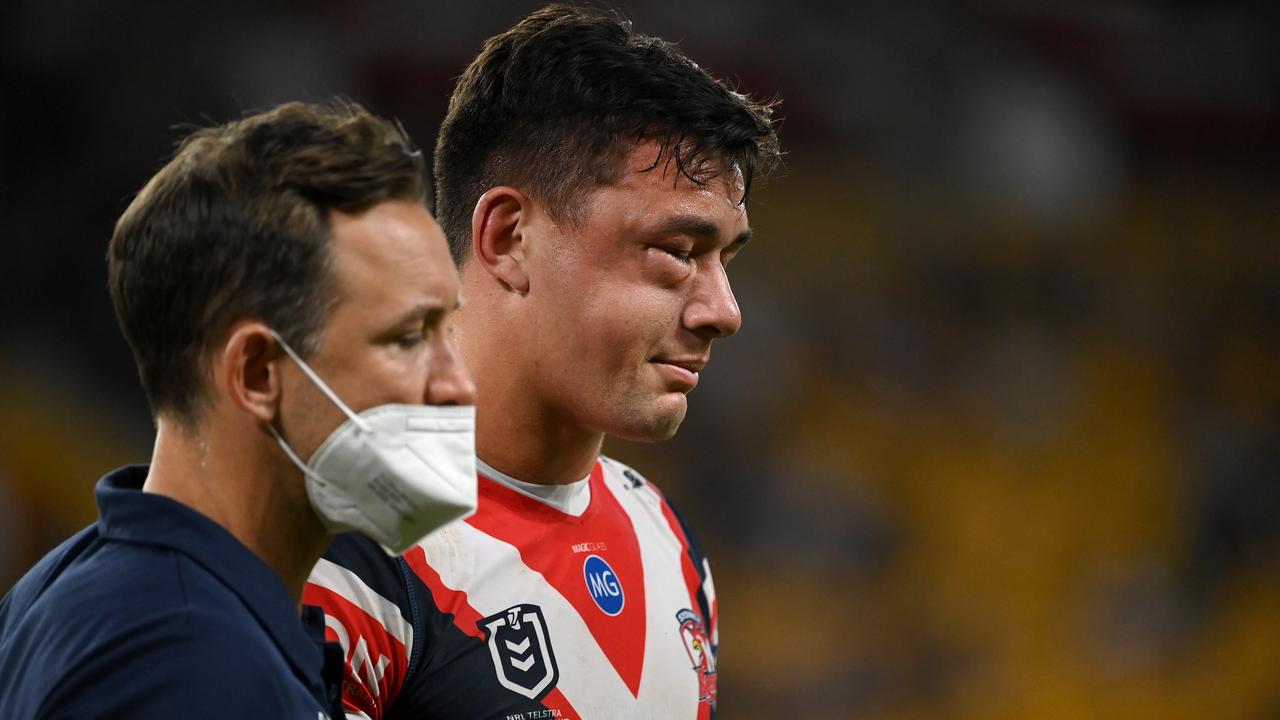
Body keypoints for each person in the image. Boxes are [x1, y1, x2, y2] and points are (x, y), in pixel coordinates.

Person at [303, 5, 780, 719]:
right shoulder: (339, 546)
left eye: (724, 258)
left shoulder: (669, 544)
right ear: (509, 237)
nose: (725, 309)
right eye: (678, 253)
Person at [0, 100, 478, 719]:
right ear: (256, 373)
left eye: (450, 330)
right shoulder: (191, 668)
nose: (459, 385)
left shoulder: (78, 591)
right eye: (410, 337)